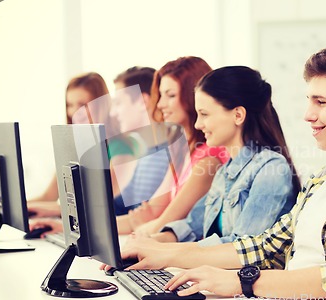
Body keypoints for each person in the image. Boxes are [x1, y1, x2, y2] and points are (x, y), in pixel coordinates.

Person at [110, 43, 326, 300]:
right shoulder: (324, 179)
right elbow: (265, 245)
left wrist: (242, 281)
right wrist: (167, 253)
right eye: (309, 101)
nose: (308, 115)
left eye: (321, 102)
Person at [142, 66, 299, 245]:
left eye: (204, 114)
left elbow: (242, 247)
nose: (197, 124)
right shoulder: (225, 172)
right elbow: (192, 226)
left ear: (238, 115)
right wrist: (152, 243)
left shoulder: (271, 169)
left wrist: (165, 253)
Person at [0, 72, 135, 219]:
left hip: (119, 235)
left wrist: (24, 210)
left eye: (82, 104)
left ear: (101, 104)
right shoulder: (77, 147)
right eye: (70, 104)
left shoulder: (121, 147)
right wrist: (3, 208)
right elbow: (49, 197)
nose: (74, 111)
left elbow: (99, 203)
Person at [116, 57, 229, 234]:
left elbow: (164, 223)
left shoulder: (209, 158)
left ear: (195, 97)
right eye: (161, 95)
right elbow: (150, 213)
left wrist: (140, 229)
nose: (160, 104)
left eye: (171, 95)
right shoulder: (181, 151)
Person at [110, 66, 171, 215]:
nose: (113, 112)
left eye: (118, 103)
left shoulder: (169, 155)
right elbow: (121, 204)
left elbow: (147, 216)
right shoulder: (147, 152)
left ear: (142, 101)